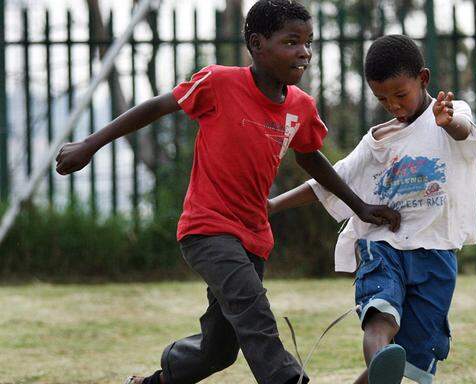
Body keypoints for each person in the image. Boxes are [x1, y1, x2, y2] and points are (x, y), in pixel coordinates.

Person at [55, 2, 400, 383]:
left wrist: (360, 206)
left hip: (253, 236)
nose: (304, 51)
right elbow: (157, 106)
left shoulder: (301, 107)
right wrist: (89, 143)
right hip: (207, 229)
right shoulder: (219, 82)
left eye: (308, 42)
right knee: (254, 312)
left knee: (218, 349)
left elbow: (312, 160)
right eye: (291, 41)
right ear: (257, 44)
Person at [269, 34, 476, 384]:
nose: (394, 105)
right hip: (382, 243)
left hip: (436, 251)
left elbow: (466, 135)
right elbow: (331, 178)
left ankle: (383, 370)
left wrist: (449, 122)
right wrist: (272, 205)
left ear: (423, 79)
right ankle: (381, 353)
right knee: (380, 315)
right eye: (382, 99)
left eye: (401, 95)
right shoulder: (376, 140)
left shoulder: (450, 113)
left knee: (410, 359)